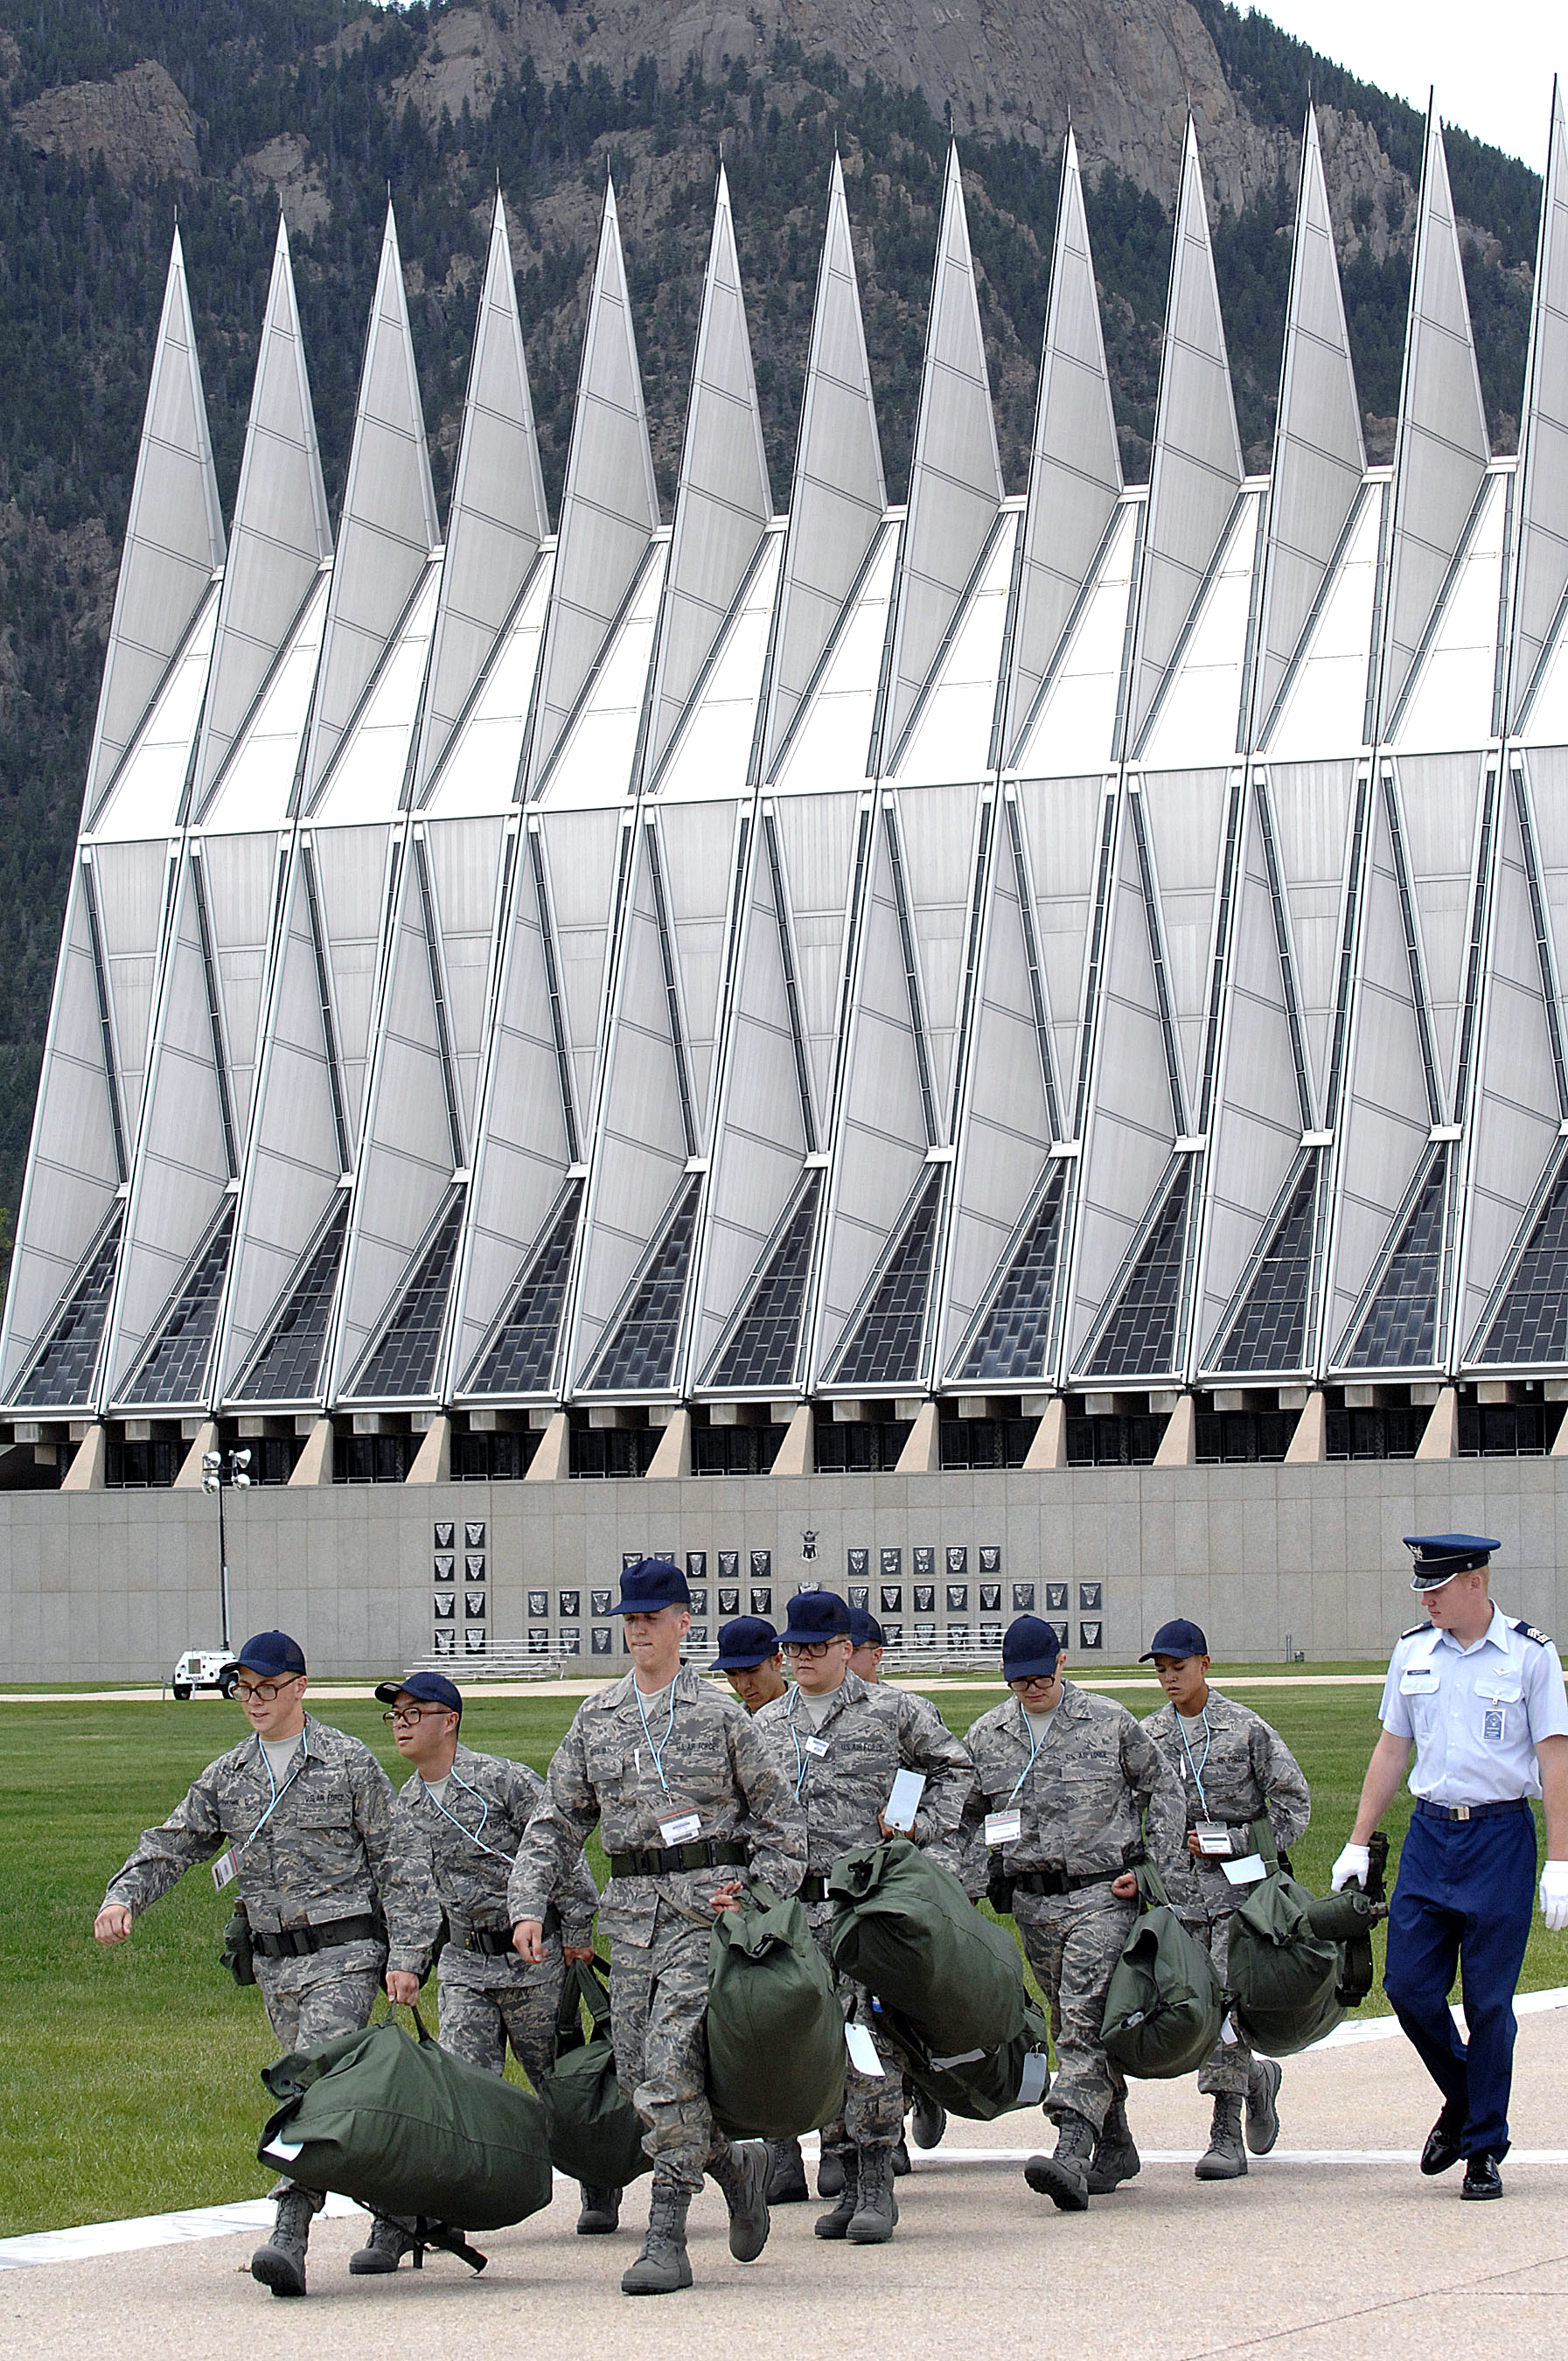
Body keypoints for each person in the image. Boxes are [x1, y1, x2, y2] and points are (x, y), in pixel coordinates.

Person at [508, 1557, 805, 2295]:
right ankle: (735, 2166)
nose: (641, 1631)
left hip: (704, 1920)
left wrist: (758, 1894)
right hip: (632, 1920)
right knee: (639, 2078)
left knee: (670, 2069)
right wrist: (526, 1901)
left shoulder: (719, 1714)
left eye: (654, 1617)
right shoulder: (597, 1717)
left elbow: (782, 1822)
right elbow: (556, 1819)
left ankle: (666, 2235)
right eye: (631, 1620)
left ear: (682, 1623)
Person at [93, 1631, 397, 2298]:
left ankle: (290, 2229)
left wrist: (404, 1954)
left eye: (265, 1687)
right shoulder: (230, 1776)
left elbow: (397, 1864)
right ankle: (401, 2207)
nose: (253, 1700)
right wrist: (124, 1897)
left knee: (310, 2088)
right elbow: (173, 1843)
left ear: (299, 1688)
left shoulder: (348, 1763)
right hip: (276, 1968)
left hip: (344, 1956)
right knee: (335, 2097)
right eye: (243, 1689)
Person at [1332, 1534, 1568, 2200]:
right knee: (1408, 1989)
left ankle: (1482, 2148)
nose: (1426, 1601)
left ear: (1474, 1582)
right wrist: (1357, 1840)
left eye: (1435, 1589)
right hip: (1431, 1836)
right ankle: (1465, 2097)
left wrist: (1560, 1861)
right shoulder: (1412, 1652)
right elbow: (1390, 1749)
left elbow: (1554, 1759)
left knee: (1489, 2004)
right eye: (1420, 1592)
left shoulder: (1529, 1655)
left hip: (1500, 1838)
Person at [753, 1591, 975, 2247]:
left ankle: (873, 2178)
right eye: (791, 1649)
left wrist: (915, 1829)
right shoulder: (766, 1725)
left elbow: (955, 1769)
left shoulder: (891, 1711)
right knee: (808, 2041)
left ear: (847, 1650)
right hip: (792, 1913)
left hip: (862, 1908)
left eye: (814, 1649)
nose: (800, 1660)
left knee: (869, 2042)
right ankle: (836, 2167)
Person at [377, 1669, 615, 2258]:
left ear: (448, 1721)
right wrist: (408, 1961)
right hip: (465, 1967)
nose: (402, 1726)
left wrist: (579, 1929)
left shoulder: (501, 1781)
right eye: (395, 1717)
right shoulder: (401, 1808)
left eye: (413, 1714)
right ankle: (454, 2208)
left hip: (532, 1961)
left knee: (556, 2082)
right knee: (462, 2090)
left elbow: (555, 1848)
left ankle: (597, 2179)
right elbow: (409, 1894)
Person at [960, 1616, 1184, 2211]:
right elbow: (963, 1819)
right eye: (1018, 1681)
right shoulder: (987, 1737)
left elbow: (1162, 1791)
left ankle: (1071, 2148)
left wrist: (1152, 1871)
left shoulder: (1108, 1723)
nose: (1030, 1690)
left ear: (1060, 1664)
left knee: (1082, 2020)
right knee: (1070, 2020)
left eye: (1039, 1677)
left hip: (1100, 1897)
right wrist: (966, 1889)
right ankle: (1117, 2143)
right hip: (1033, 1905)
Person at [1139, 1618, 1311, 2181]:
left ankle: (1225, 2128)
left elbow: (1293, 1807)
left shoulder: (1245, 1731)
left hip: (1240, 1896)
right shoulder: (1148, 1738)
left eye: (1179, 1668)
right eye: (1161, 1671)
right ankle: (1257, 2082)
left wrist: (1237, 1842)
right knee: (1192, 2009)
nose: (1169, 1679)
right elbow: (1128, 1816)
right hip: (1178, 1900)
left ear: (1205, 1665)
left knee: (1226, 2003)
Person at [845, 1604, 948, 2167]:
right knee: (857, 2015)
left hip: (903, 1881)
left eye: (854, 1649)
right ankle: (886, 2130)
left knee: (902, 2004)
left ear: (873, 1653)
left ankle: (921, 2086)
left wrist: (917, 1826)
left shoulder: (907, 1710)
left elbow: (947, 1781)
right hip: (845, 1890)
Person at [714, 1616, 787, 1712]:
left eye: (751, 1671)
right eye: (732, 1673)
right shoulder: (729, 1720)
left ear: (777, 1661)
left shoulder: (810, 1713)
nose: (742, 1686)